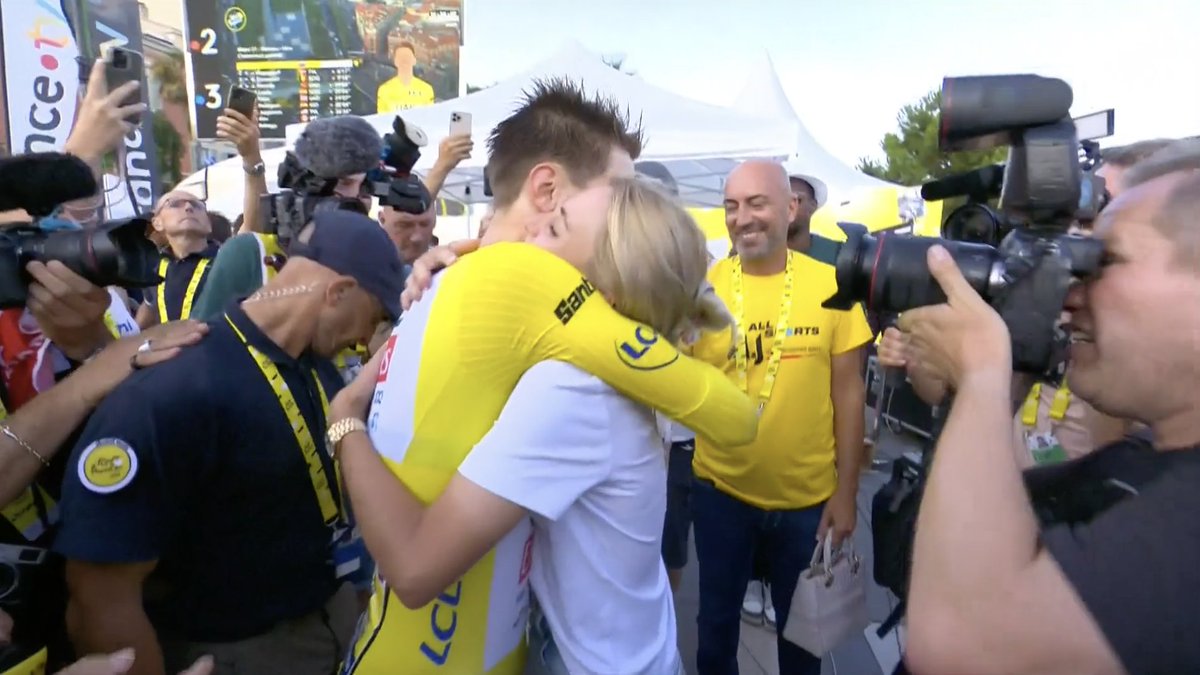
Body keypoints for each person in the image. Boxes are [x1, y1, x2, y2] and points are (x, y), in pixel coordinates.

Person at [335, 77, 757, 675]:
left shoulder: (573, 380)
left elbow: (416, 567)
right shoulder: (473, 297)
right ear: (548, 189)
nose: (628, 209)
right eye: (618, 191)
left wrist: (341, 418)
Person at [52, 211, 403, 675]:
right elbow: (100, 591)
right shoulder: (175, 385)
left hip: (326, 627)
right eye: (374, 317)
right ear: (337, 293)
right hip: (230, 653)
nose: (364, 339)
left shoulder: (317, 368)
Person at [901, 147, 1200, 674]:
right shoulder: (1149, 460)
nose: (1070, 293)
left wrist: (979, 374)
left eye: (1104, 261)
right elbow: (981, 536)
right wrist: (1012, 367)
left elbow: (964, 644)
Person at [690, 160, 873, 675]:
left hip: (806, 506)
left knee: (802, 648)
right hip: (720, 495)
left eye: (756, 203)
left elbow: (849, 393)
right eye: (731, 206)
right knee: (715, 634)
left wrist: (846, 494)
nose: (741, 218)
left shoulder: (832, 284)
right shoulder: (702, 288)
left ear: (790, 208)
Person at [136, 192, 218, 329]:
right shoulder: (154, 268)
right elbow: (147, 312)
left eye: (197, 206)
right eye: (175, 204)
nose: (188, 207)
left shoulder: (226, 258)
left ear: (208, 225)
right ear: (157, 223)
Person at [376, 42, 435, 113]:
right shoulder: (384, 90)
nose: (404, 60)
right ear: (395, 61)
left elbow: (428, 118)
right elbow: (383, 120)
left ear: (414, 60)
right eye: (400, 57)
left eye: (407, 56)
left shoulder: (426, 90)